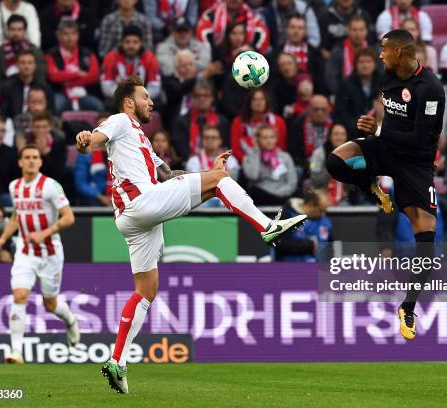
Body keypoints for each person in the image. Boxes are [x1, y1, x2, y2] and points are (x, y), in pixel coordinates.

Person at [74, 76, 307, 393]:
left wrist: (208, 173)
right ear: (129, 102)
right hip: (142, 203)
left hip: (131, 218)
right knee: (220, 181)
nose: (151, 102)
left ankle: (117, 361)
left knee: (146, 290)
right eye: (145, 97)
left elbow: (170, 176)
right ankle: (267, 227)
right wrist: (86, 139)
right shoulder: (119, 121)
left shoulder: (141, 140)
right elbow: (95, 139)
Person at [325, 29, 445, 340]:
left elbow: (420, 139)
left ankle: (408, 306)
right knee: (336, 161)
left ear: (401, 53)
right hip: (387, 148)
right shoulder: (388, 77)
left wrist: (377, 130)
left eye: (384, 50)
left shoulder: (430, 88)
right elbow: (390, 123)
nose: (380, 55)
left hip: (416, 163)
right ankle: (371, 187)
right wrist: (372, 127)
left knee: (426, 237)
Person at [0, 144, 79, 364]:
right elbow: (16, 217)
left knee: (51, 304)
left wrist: (44, 233)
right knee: (19, 296)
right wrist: (3, 239)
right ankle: (16, 352)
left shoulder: (50, 186)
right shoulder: (15, 187)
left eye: (35, 157)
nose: (31, 160)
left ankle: (70, 321)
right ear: (20, 162)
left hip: (50, 253)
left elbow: (69, 218)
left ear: (40, 162)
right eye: (27, 157)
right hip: (25, 252)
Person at [45, 19, 103, 113]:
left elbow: (94, 76)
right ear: (59, 36)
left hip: (84, 93)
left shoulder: (88, 53)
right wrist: (77, 74)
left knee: (98, 106)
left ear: (78, 35)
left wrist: (69, 83)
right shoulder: (51, 54)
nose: (69, 37)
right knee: (56, 106)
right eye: (65, 34)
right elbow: (53, 76)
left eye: (73, 34)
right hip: (61, 93)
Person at [171, 80, 230, 162]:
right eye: (198, 95)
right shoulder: (182, 122)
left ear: (212, 98)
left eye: (206, 95)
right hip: (190, 166)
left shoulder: (222, 121)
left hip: (218, 163)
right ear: (192, 98)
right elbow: (180, 148)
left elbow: (225, 146)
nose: (202, 99)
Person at [101, 25, 161, 102]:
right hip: (119, 99)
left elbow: (154, 87)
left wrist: (138, 98)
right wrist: (126, 98)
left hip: (142, 99)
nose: (131, 45)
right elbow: (107, 87)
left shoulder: (150, 58)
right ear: (121, 43)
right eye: (127, 42)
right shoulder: (111, 57)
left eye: (135, 42)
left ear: (141, 43)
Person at [186, 125, 239, 208]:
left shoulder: (230, 160)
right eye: (207, 137)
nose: (210, 140)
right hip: (202, 202)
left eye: (213, 138)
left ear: (220, 140)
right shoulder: (193, 161)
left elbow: (233, 182)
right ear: (202, 140)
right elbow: (194, 186)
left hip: (225, 201)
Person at [243, 124, 297, 205]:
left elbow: (292, 183)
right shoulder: (250, 157)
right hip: (260, 196)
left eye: (272, 137)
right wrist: (256, 151)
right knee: (254, 190)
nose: (269, 141)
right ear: (257, 140)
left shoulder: (285, 157)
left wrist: (277, 194)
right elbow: (253, 176)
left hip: (281, 196)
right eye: (265, 138)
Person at [273, 189, 332, 261]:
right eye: (321, 210)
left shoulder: (325, 222)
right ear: (310, 205)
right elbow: (280, 244)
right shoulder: (287, 215)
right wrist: (310, 245)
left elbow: (331, 246)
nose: (323, 214)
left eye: (325, 211)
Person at [334, 48, 380, 139]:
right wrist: (355, 124)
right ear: (355, 65)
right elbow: (341, 110)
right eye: (361, 62)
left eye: (368, 61)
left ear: (375, 65)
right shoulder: (346, 84)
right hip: (353, 131)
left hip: (376, 128)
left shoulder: (381, 82)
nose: (365, 65)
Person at [0, 14, 46, 86]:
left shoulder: (36, 52)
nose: (16, 33)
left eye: (19, 30)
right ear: (7, 30)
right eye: (12, 29)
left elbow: (40, 79)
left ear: (25, 31)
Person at [230, 88, 287, 163]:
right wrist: (247, 162)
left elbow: (281, 146)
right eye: (255, 99)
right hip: (247, 162)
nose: (258, 102)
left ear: (266, 102)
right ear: (249, 103)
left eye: (262, 99)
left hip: (273, 161)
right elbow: (235, 149)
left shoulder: (278, 121)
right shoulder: (238, 122)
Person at [196, 0, 271, 55]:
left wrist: (252, 51)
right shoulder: (210, 15)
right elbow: (202, 41)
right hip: (218, 62)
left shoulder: (254, 17)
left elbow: (263, 41)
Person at [325, 15, 372, 95]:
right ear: (348, 31)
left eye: (361, 30)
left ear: (366, 31)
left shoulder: (373, 51)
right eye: (354, 30)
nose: (358, 34)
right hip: (343, 95)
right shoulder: (338, 51)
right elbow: (331, 79)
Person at [0, 50, 53, 119]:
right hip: (14, 125)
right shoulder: (6, 87)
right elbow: (4, 113)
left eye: (30, 63)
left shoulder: (44, 88)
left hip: (39, 125)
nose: (26, 66)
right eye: (23, 63)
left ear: (35, 65)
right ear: (17, 65)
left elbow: (51, 112)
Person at [289, 94, 332, 172]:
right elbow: (295, 155)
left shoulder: (334, 126)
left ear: (328, 110)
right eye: (316, 109)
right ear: (309, 109)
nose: (320, 113)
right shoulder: (298, 125)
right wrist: (310, 166)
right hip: (307, 165)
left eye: (323, 109)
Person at [309, 123, 349, 206]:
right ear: (330, 136)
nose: (339, 137)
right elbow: (315, 181)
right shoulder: (318, 153)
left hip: (343, 198)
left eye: (342, 134)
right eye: (336, 134)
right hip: (322, 196)